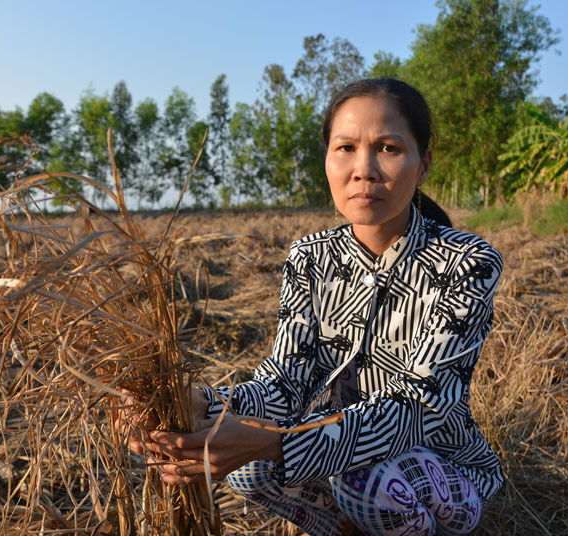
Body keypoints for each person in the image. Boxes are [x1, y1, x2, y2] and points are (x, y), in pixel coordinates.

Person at [131, 79, 503, 536]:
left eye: (388, 148)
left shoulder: (467, 262)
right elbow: (286, 382)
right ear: (327, 159)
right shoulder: (310, 257)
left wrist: (275, 443)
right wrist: (203, 404)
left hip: (442, 472)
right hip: (341, 461)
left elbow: (418, 407)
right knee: (250, 470)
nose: (364, 170)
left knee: (362, 479)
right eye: (345, 148)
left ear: (423, 164)